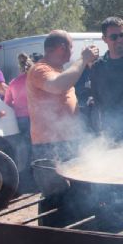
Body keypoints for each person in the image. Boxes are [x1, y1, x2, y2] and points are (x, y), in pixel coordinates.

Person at [26, 30, 99, 161]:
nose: (72, 52)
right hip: (50, 144)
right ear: (62, 48)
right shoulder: (40, 69)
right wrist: (83, 59)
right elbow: (58, 86)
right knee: (56, 181)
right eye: (71, 47)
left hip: (67, 140)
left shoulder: (58, 69)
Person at [4, 53, 33, 172]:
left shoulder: (13, 82)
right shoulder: (34, 80)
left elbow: (7, 102)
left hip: (20, 118)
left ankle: (24, 169)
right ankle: (37, 167)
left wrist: (17, 107)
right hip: (35, 116)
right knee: (38, 143)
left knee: (24, 144)